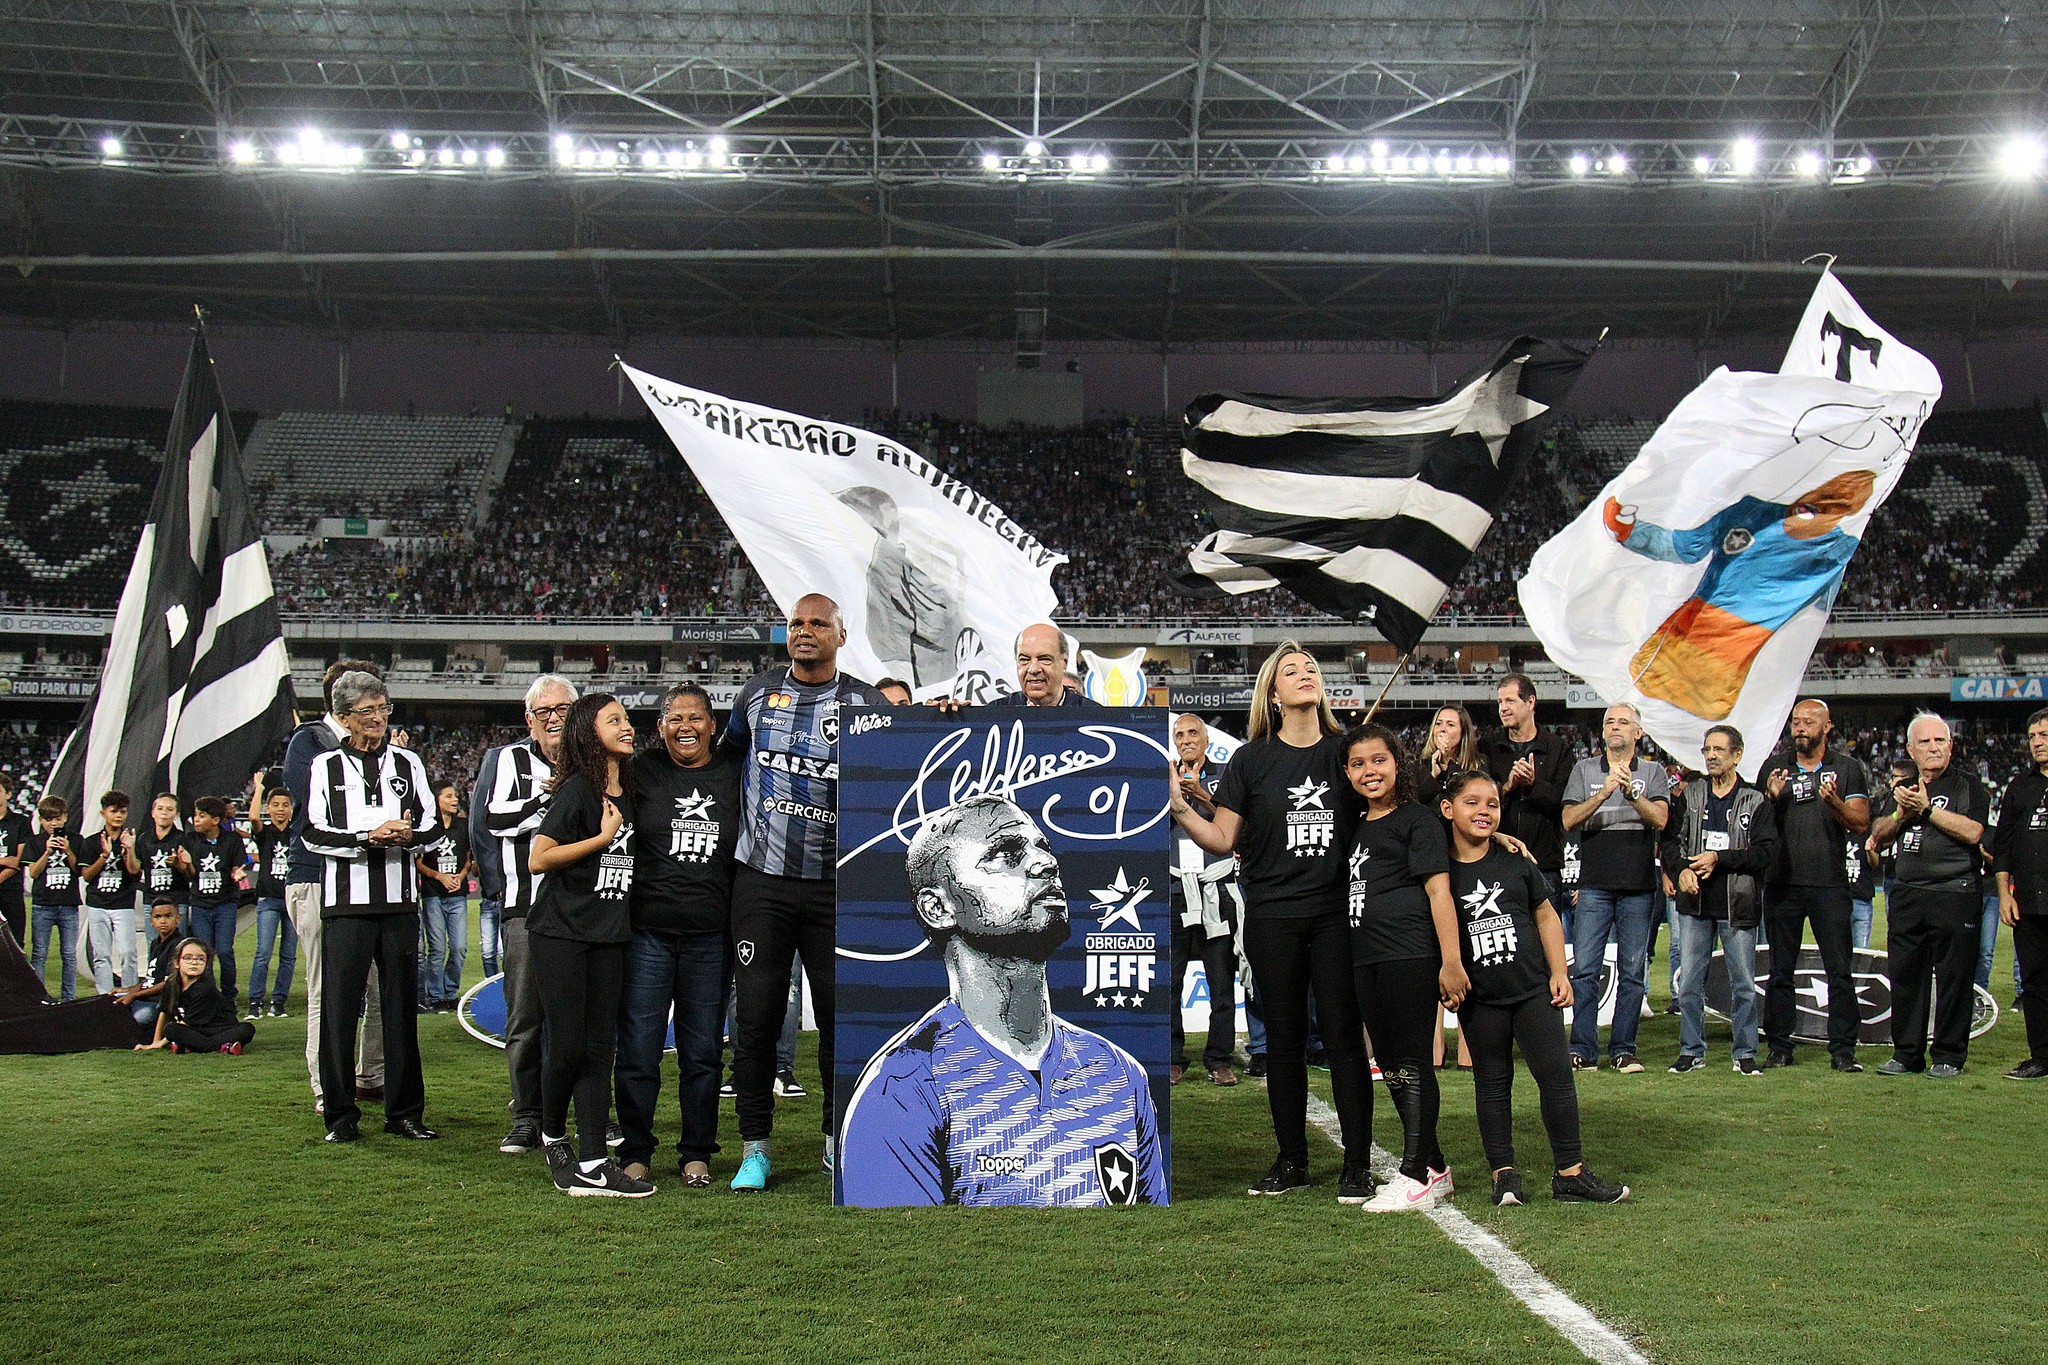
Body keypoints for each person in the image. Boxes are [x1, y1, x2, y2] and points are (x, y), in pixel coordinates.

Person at [839, 794, 1164, 1206]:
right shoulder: (901, 1091)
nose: (1045, 864)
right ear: (938, 907)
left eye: (1042, 848)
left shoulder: (1119, 1073)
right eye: (1006, 854)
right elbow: (900, 1258)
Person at [1170, 642, 1375, 1201]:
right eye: (1291, 670)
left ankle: (1358, 1162)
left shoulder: (1346, 753)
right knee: (1282, 1041)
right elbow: (1223, 838)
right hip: (1271, 916)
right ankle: (1292, 1160)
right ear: (1273, 693)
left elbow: (1390, 812)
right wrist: (1182, 807)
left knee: (1342, 1040)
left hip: (1336, 913)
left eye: (1312, 666)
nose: (1306, 673)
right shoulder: (1251, 760)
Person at [721, 593, 883, 1191]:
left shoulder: (865, 702)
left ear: (842, 635)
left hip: (835, 889)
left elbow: (904, 767)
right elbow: (726, 762)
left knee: (842, 1022)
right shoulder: (756, 695)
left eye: (819, 623)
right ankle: (754, 1149)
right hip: (761, 882)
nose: (805, 632)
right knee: (758, 1018)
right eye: (796, 623)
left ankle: (834, 1141)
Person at [1441, 771, 1630, 1206]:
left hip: (1532, 992)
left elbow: (1545, 914)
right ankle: (1503, 1174)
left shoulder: (1514, 860)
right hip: (1481, 997)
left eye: (1492, 803)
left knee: (1557, 1078)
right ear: (1448, 810)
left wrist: (1558, 971)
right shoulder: (1439, 872)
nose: (1484, 811)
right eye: (1472, 803)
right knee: (1491, 1082)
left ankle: (1570, 1173)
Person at [527, 692, 653, 1198]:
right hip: (561, 932)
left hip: (610, 932)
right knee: (569, 1045)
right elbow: (539, 857)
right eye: (614, 720)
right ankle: (553, 1136)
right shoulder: (580, 789)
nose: (627, 727)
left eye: (626, 719)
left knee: (602, 1049)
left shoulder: (634, 786)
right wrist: (603, 839)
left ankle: (596, 1160)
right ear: (588, 732)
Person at [304, 670, 439, 1143]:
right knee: (340, 1011)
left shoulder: (409, 764)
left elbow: (434, 827)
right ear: (344, 718)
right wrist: (367, 838)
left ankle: (405, 1113)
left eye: (384, 708)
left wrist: (408, 836)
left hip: (400, 903)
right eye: (368, 711)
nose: (379, 718)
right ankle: (340, 1116)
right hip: (346, 906)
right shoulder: (325, 767)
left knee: (401, 1010)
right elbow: (312, 834)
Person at [1341, 723, 1468, 1213]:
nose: (1370, 771)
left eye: (1379, 760)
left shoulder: (1418, 819)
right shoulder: (1354, 823)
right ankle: (1434, 1164)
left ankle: (1415, 1174)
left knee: (1412, 1061)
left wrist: (1451, 961)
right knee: (1391, 1063)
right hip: (1366, 956)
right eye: (1358, 763)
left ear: (1398, 763)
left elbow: (1440, 892)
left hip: (1409, 954)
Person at [617, 683, 739, 1188]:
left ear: (713, 725)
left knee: (703, 1051)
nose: (684, 727)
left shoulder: (737, 770)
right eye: (674, 718)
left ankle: (696, 1153)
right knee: (640, 1049)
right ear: (660, 726)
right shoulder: (641, 771)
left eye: (695, 718)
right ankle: (636, 1149)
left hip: (712, 935)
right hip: (648, 932)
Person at [476, 672, 578, 1154]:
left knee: (586, 1018)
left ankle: (590, 1112)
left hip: (587, 908)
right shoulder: (506, 760)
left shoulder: (595, 757)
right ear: (529, 719)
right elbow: (495, 820)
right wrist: (551, 798)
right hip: (526, 906)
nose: (554, 719)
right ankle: (527, 1116)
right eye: (544, 712)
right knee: (525, 1016)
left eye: (562, 710)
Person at [283, 661, 388, 1114]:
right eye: (365, 705)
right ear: (341, 705)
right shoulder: (310, 740)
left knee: (382, 985)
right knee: (326, 986)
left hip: (371, 881)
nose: (374, 714)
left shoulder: (380, 750)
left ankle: (371, 1073)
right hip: (316, 876)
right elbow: (314, 804)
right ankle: (327, 1086)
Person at [1870, 713, 1989, 1077]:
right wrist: (1902, 813)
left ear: (1951, 746)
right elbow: (1879, 832)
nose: (1934, 747)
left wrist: (1928, 810)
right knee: (1906, 976)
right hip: (1906, 893)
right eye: (1925, 742)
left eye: (1940, 741)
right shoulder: (1900, 789)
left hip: (1955, 891)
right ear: (1910, 749)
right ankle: (1906, 1055)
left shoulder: (1969, 787)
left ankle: (1949, 1056)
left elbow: (1973, 832)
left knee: (1954, 978)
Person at [1760, 698, 1871, 1071]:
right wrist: (1771, 799)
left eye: (1809, 721)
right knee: (1780, 970)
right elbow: (1756, 828)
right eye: (1796, 721)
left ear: (1827, 727)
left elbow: (1860, 823)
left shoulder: (1847, 768)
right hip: (1782, 883)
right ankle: (1779, 1046)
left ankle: (1843, 1049)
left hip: (1829, 884)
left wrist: (1835, 803)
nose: (1800, 727)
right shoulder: (1776, 768)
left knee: (1838, 968)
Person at [1662, 726, 1778, 1075]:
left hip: (1737, 904)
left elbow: (1766, 852)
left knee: (1742, 983)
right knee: (1689, 983)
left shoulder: (1755, 800)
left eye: (1718, 750)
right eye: (1706, 749)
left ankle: (1744, 1053)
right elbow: (1670, 841)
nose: (1711, 756)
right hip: (1695, 904)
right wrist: (1681, 869)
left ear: (1737, 755)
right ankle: (1691, 1051)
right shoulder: (1690, 794)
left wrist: (1719, 858)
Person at [1561, 703, 1670, 1072]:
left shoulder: (1654, 772)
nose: (1615, 727)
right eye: (1610, 722)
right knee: (1586, 970)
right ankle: (1583, 1049)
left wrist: (1632, 793)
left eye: (1624, 722)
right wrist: (1603, 794)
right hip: (1594, 886)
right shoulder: (1585, 769)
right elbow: (1569, 819)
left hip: (1638, 886)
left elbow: (1660, 819)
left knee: (1632, 973)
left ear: (1638, 733)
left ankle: (1624, 1049)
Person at [1168, 712, 1238, 1087]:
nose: (1186, 739)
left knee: (1221, 978)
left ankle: (1219, 1058)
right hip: (1176, 887)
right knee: (1172, 979)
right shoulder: (1165, 777)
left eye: (1193, 732)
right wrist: (1174, 794)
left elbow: (1235, 823)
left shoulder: (1227, 774)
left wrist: (1202, 796)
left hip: (1215, 887)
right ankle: (1173, 1057)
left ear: (1206, 739)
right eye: (1180, 734)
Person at [1483, 675, 1575, 941]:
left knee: (1547, 941)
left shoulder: (1557, 748)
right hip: (1498, 861)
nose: (1503, 707)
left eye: (1510, 700)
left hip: (1544, 863)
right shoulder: (1489, 747)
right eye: (1500, 701)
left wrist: (1534, 784)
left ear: (1530, 701)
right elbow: (1475, 802)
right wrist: (1507, 787)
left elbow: (1563, 802)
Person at [1994, 706, 2048, 1080]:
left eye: (2044, 735)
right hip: (2028, 902)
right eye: (2032, 737)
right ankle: (2041, 1056)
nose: (2037, 743)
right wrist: (2004, 894)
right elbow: (2004, 848)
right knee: (2035, 981)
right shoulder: (2020, 786)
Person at [183, 797, 249, 1010]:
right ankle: (208, 995)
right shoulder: (191, 840)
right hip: (200, 903)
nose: (196, 820)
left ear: (215, 820)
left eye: (202, 816)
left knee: (224, 950)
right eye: (195, 815)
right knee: (204, 952)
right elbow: (191, 874)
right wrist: (183, 864)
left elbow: (237, 866)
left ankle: (229, 995)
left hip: (225, 903)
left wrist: (238, 872)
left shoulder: (232, 840)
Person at [135, 938, 256, 1054]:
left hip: (220, 1028)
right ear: (177, 963)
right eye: (187, 958)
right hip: (196, 1029)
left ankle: (196, 1047)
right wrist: (155, 1042)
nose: (194, 962)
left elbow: (188, 1022)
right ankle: (223, 1047)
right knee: (171, 1029)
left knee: (247, 1029)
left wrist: (162, 1043)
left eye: (200, 959)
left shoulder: (204, 988)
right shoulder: (171, 984)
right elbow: (165, 1011)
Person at [414, 780, 472, 1014]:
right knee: (437, 948)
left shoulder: (463, 826)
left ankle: (450, 993)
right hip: (433, 894)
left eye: (455, 795)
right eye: (448, 796)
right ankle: (435, 996)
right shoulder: (428, 827)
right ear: (437, 800)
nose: (454, 799)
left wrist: (461, 874)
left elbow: (469, 857)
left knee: (459, 947)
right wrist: (439, 877)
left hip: (458, 894)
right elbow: (418, 862)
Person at [245, 778, 296, 1019]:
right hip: (268, 899)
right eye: (275, 805)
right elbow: (253, 818)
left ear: (291, 809)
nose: (280, 809)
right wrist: (259, 789)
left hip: (293, 900)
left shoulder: (297, 834)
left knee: (289, 955)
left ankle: (278, 1001)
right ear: (268, 808)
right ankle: (255, 1002)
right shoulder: (266, 834)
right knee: (263, 953)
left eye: (285, 805)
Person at [80, 791, 138, 996]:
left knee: (128, 952)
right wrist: (104, 856)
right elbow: (86, 875)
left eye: (122, 812)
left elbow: (134, 872)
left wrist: (129, 851)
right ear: (103, 813)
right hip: (98, 903)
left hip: (123, 903)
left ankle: (130, 993)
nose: (118, 816)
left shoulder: (131, 839)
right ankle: (104, 994)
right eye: (114, 811)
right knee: (101, 954)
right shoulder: (91, 842)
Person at [26, 795, 80, 1002]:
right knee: (39, 954)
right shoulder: (36, 842)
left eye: (57, 818)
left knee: (68, 954)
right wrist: (48, 852)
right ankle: (40, 997)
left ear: (65, 818)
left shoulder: (75, 840)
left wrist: (67, 850)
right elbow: (33, 872)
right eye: (48, 819)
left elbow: (78, 871)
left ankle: (68, 997)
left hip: (68, 904)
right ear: (41, 821)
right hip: (42, 905)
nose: (53, 823)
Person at [113, 899, 185, 1030]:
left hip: (160, 1001)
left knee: (139, 1019)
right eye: (157, 917)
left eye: (168, 916)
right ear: (151, 921)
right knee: (110, 1003)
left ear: (178, 918)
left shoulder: (180, 945)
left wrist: (134, 995)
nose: (163, 921)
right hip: (145, 996)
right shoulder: (155, 943)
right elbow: (150, 979)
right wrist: (126, 990)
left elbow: (169, 983)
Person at [996, 624, 1100, 708]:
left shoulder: (1095, 716)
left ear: (1064, 663)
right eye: (1024, 660)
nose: (1033, 669)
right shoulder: (992, 716)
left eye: (1044, 659)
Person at [1419, 704, 1482, 809]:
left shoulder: (1478, 764)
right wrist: (1433, 776)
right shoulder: (1418, 766)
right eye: (1438, 724)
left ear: (1463, 732)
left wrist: (1450, 763)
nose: (1442, 729)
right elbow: (1416, 803)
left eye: (1450, 725)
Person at [0, 773, 29, 946]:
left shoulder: (21, 822)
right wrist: (4, 860)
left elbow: (19, 860)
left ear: (9, 794)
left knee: (16, 943)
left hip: (12, 892)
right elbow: (10, 861)